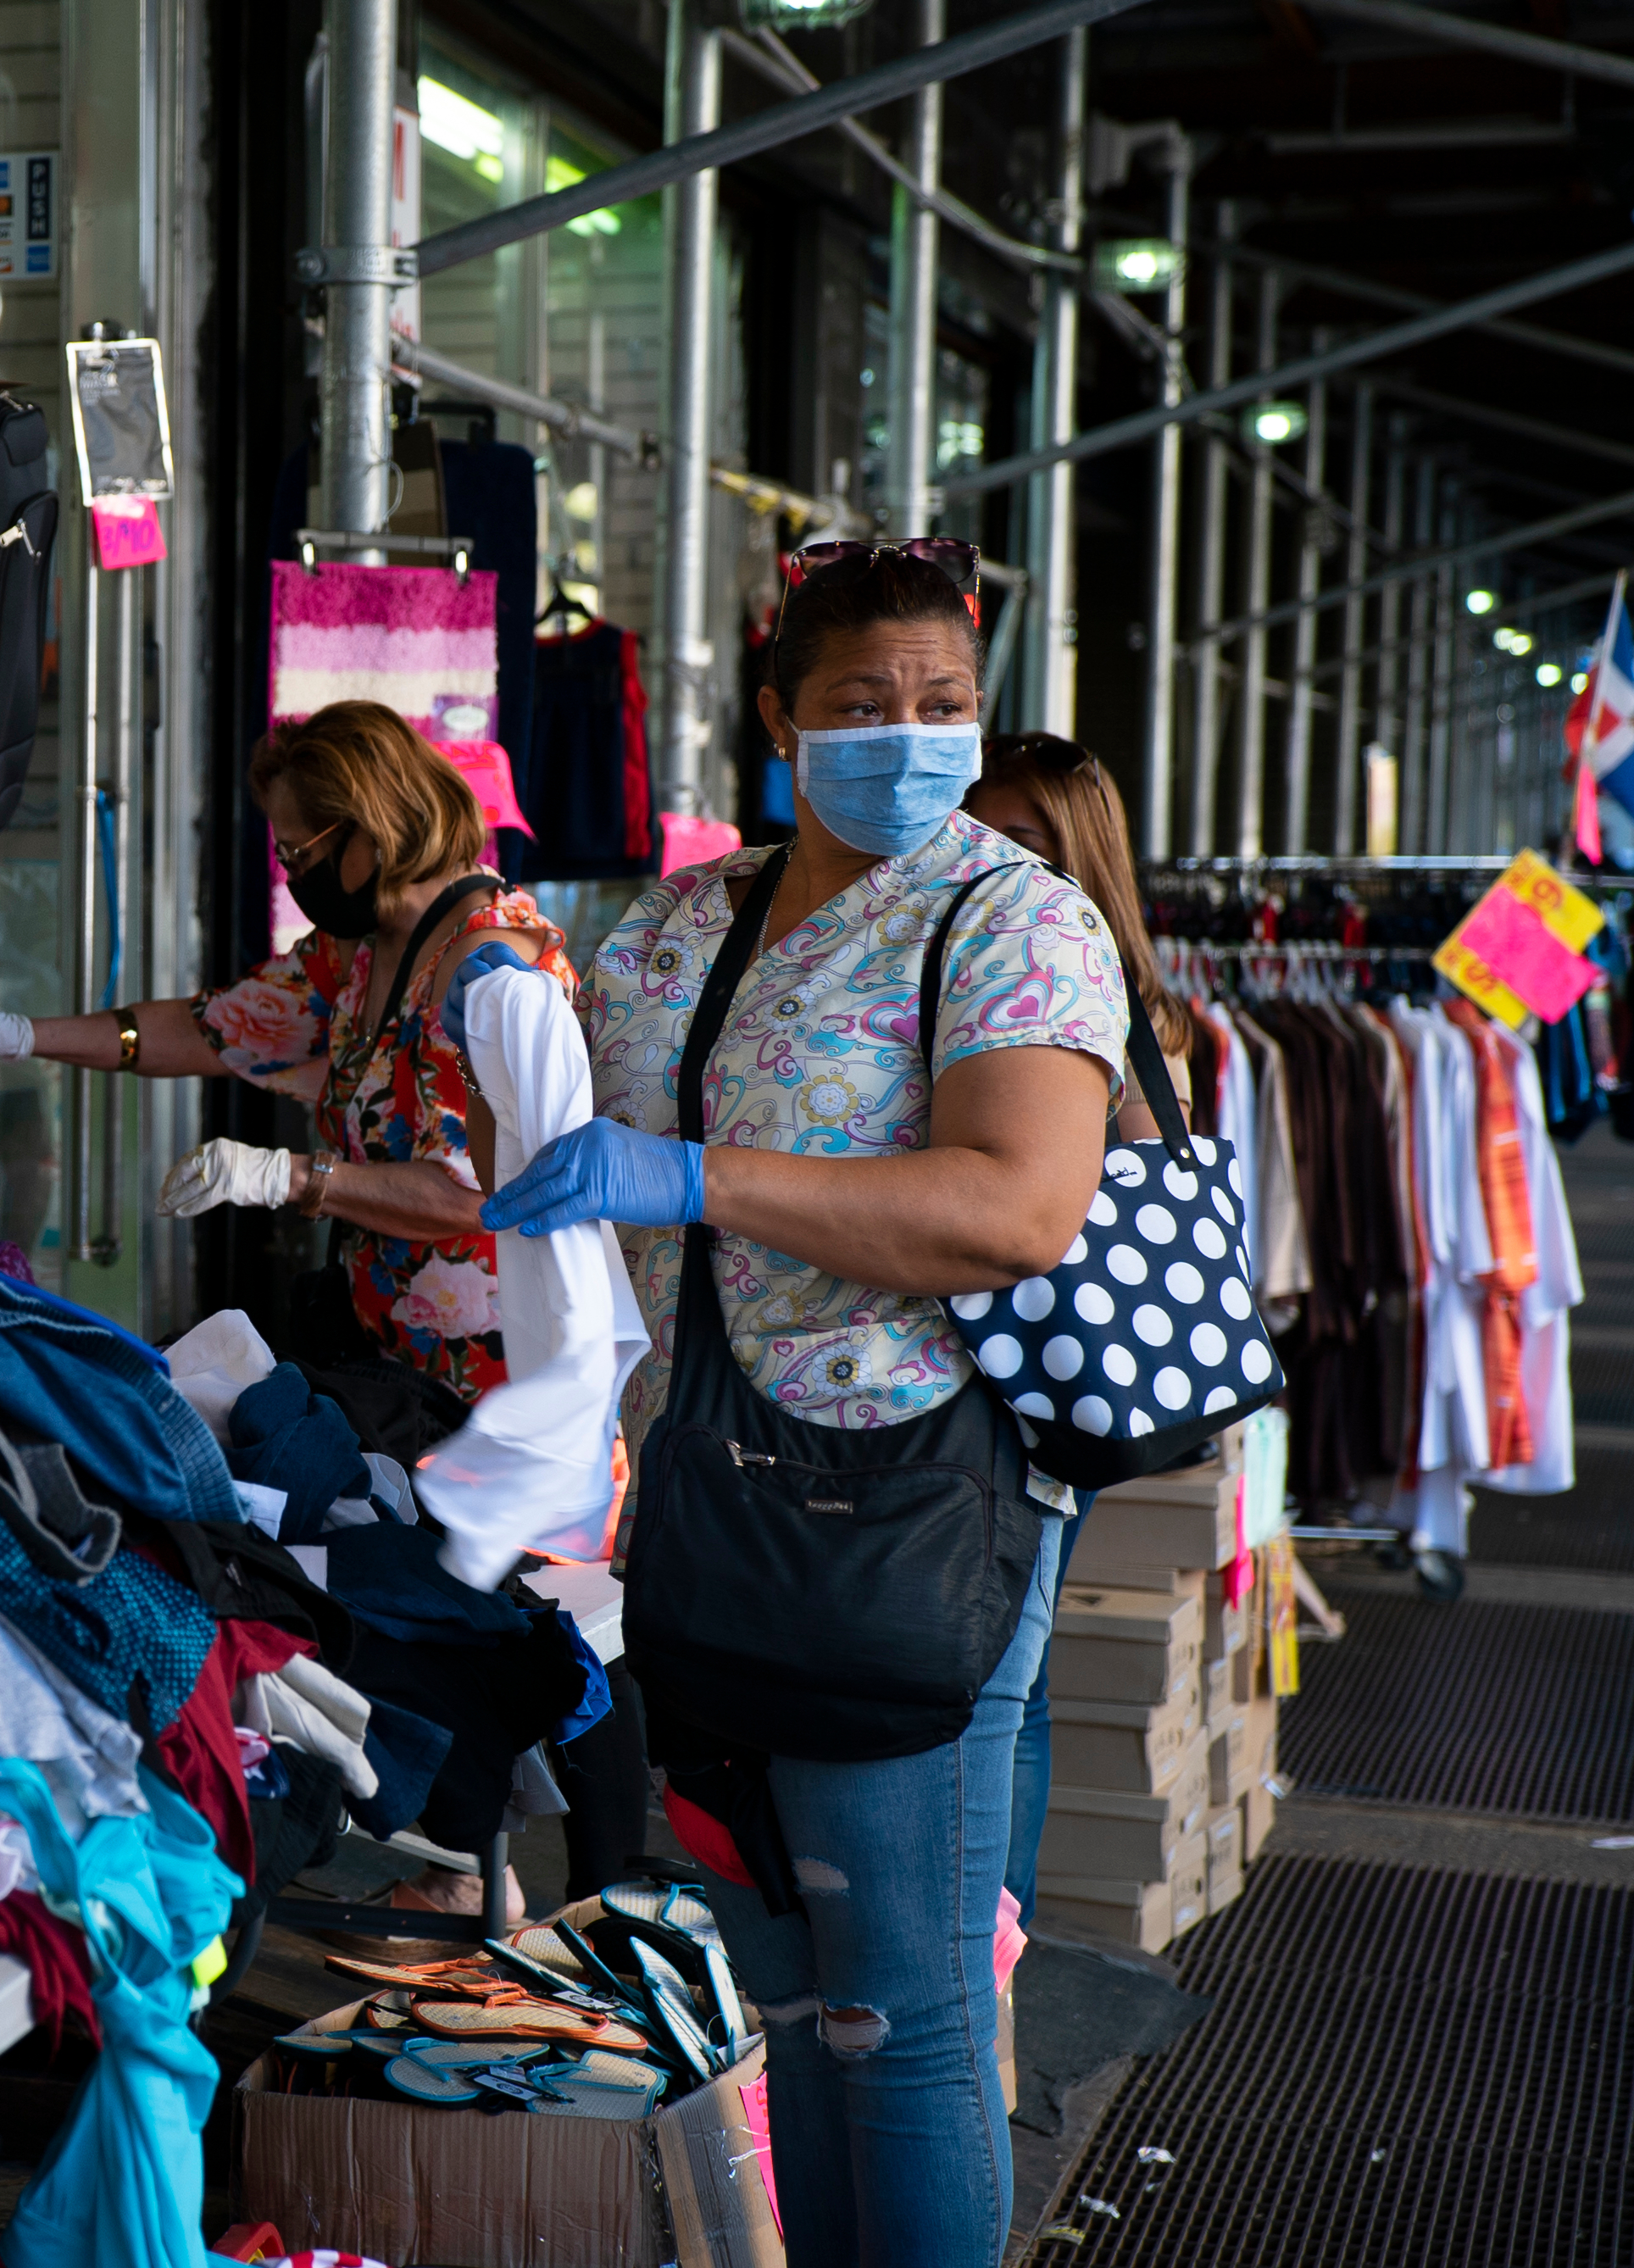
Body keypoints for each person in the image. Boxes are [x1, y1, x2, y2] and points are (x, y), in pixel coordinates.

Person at [483, 541, 1129, 2265]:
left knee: (894, 2011)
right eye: (857, 706)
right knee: (771, 1991)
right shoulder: (686, 917)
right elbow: (574, 1142)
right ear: (777, 720)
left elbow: (1011, 1208)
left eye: (938, 707)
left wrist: (694, 1177)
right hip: (698, 1494)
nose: (902, 738)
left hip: (904, 1512)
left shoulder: (1007, 921)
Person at [0, 698, 575, 1400]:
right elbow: (211, 1027)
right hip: (388, 1360)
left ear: (366, 832)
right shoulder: (363, 950)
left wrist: (289, 1177)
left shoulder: (491, 964)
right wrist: (16, 1033)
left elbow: (474, 1195)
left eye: (296, 852)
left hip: (495, 1385)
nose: (287, 873)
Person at [965, 731, 1200, 1928]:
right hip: (992, 1368)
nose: (992, 860)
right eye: (979, 831)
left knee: (1004, 1682)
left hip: (1047, 1379)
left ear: (1079, 857)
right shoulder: (957, 963)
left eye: (1024, 841)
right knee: (1003, 1671)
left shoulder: (1105, 1000)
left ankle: (992, 1955)